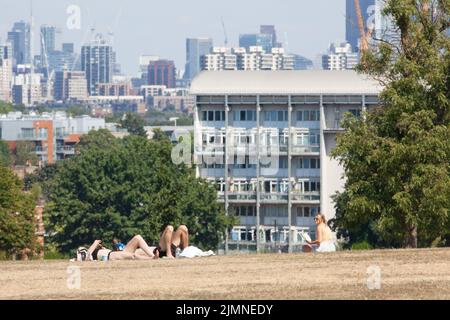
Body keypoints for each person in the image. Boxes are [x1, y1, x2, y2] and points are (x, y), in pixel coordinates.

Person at [86, 235, 156, 261]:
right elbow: (87, 254)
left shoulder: (99, 250)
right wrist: (95, 242)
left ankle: (152, 256)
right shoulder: (88, 255)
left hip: (115, 253)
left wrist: (103, 248)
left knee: (137, 238)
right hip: (110, 256)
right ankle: (151, 259)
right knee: (132, 256)